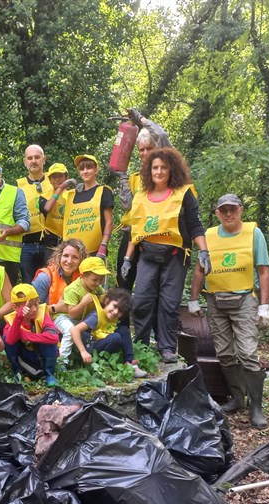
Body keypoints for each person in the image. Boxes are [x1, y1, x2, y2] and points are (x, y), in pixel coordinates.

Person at [188, 193, 269, 429]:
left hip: (244, 299)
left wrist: (265, 306)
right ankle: (237, 398)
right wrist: (194, 299)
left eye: (232, 209)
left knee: (246, 352)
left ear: (240, 210)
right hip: (216, 300)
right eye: (223, 210)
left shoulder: (253, 234)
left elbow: (264, 271)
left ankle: (256, 407)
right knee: (224, 352)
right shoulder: (209, 236)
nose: (228, 214)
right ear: (217, 213)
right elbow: (199, 270)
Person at [120, 147, 210, 363]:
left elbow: (195, 225)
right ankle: (141, 345)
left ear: (172, 170)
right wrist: (126, 259)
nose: (159, 172)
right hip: (147, 254)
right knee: (141, 300)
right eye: (155, 168)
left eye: (164, 168)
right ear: (149, 171)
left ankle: (167, 347)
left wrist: (204, 251)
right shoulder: (141, 196)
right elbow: (135, 230)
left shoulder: (183, 193)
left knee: (169, 304)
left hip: (175, 256)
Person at [115, 109, 173, 290]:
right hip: (132, 232)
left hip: (156, 234)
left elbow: (161, 135)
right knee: (123, 281)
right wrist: (122, 176)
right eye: (142, 149)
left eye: (150, 148)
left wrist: (141, 119)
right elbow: (127, 205)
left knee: (150, 286)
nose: (146, 152)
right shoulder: (134, 177)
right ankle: (123, 319)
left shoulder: (167, 173)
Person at [70, 287, 148, 378]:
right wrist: (83, 351)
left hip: (101, 341)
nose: (115, 312)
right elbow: (74, 330)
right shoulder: (96, 316)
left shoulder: (112, 319)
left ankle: (129, 362)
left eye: (120, 311)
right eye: (115, 306)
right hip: (90, 348)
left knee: (124, 330)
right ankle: (102, 365)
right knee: (116, 337)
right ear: (107, 301)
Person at [53, 256, 110, 364]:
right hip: (63, 317)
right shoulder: (72, 289)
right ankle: (61, 363)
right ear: (83, 276)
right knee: (70, 331)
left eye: (100, 280)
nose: (98, 283)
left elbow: (104, 298)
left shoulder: (95, 287)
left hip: (81, 319)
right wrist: (83, 302)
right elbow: (72, 314)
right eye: (95, 280)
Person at [16, 145, 58, 284]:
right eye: (30, 158)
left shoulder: (54, 181)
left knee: (50, 282)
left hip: (51, 243)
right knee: (29, 286)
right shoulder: (18, 186)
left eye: (37, 157)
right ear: (24, 162)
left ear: (44, 159)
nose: (34, 161)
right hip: (27, 243)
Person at [3, 283, 59, 386]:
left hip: (40, 354)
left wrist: (25, 335)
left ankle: (49, 374)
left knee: (50, 343)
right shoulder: (12, 319)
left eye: (36, 304)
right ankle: (18, 372)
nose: (34, 309)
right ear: (15, 307)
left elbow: (54, 338)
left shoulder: (42, 314)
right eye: (28, 306)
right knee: (6, 337)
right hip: (24, 355)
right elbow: (10, 341)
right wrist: (19, 318)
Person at [61, 155, 114, 259]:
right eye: (82, 169)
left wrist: (103, 246)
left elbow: (109, 222)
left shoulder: (104, 191)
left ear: (96, 170)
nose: (85, 171)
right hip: (72, 254)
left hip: (95, 252)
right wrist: (62, 186)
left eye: (89, 168)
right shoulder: (71, 194)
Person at [32, 238, 87, 307]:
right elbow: (33, 309)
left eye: (75, 257)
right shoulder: (44, 277)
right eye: (66, 255)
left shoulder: (85, 276)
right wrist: (56, 308)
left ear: (81, 260)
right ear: (59, 256)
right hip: (50, 317)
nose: (69, 261)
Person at [39, 163, 76, 242]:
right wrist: (61, 188)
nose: (57, 179)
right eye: (54, 177)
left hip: (68, 239)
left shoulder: (72, 194)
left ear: (66, 177)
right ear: (49, 180)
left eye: (60, 176)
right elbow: (47, 208)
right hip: (50, 240)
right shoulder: (44, 195)